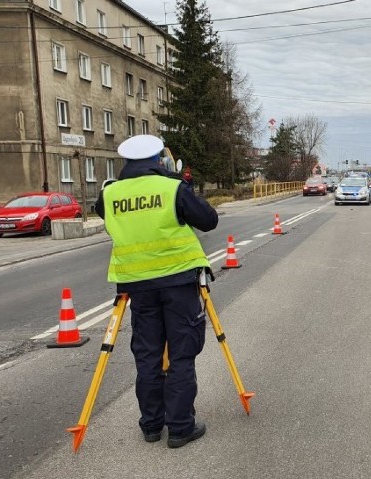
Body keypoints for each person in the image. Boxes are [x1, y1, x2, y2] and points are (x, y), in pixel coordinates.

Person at [95, 135, 218, 448]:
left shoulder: (110, 193)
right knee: (181, 353)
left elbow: (105, 216)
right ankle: (180, 427)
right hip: (178, 282)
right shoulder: (172, 188)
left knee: (148, 356)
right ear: (159, 159)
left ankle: (151, 426)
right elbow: (208, 220)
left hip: (137, 287)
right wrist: (178, 182)